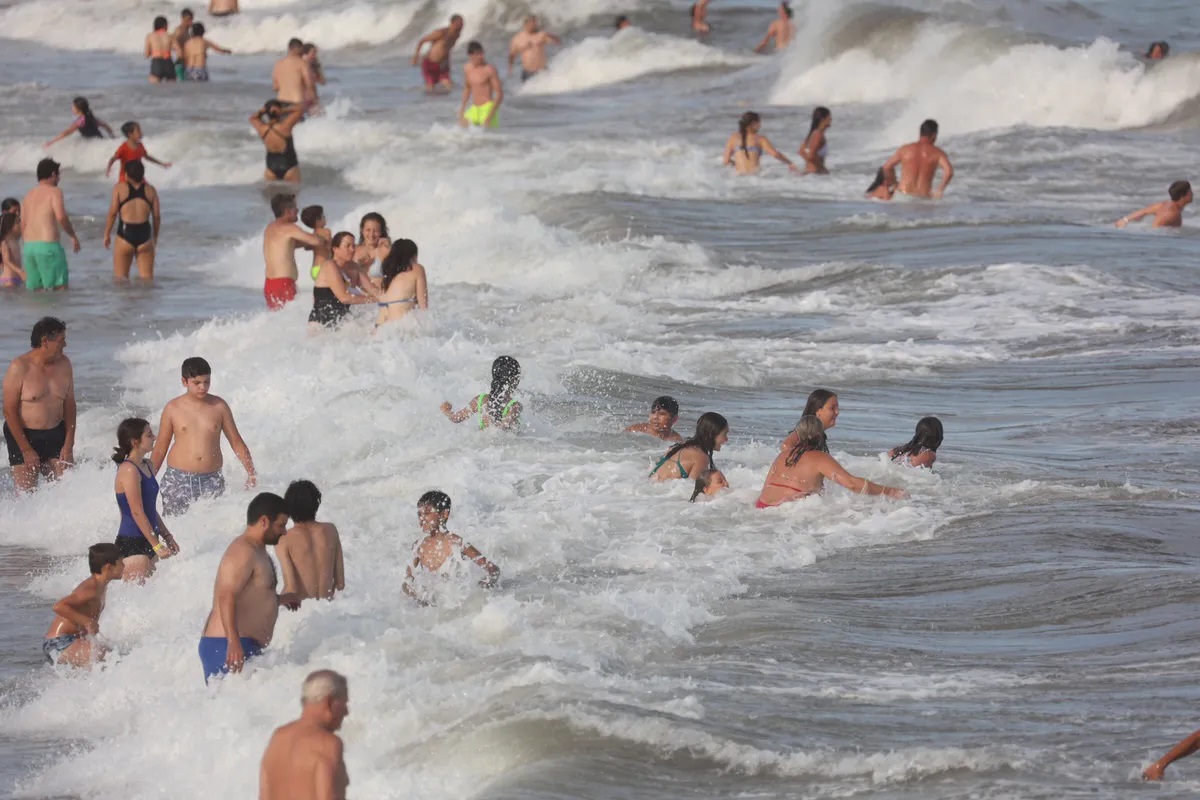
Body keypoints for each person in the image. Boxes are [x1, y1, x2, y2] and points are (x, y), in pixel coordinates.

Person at [198, 493, 300, 683]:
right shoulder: (242, 551)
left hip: (240, 644)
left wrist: (281, 600)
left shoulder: (257, 551)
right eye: (281, 525)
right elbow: (226, 595)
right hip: (226, 645)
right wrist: (233, 641)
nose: (284, 531)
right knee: (229, 709)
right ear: (263, 521)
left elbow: (255, 597)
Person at [150, 357, 257, 516]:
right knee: (176, 528)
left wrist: (251, 473)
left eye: (207, 382)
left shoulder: (219, 406)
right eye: (197, 383)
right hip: (178, 479)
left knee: (212, 528)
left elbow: (236, 441)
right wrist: (148, 478)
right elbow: (160, 447)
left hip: (212, 479)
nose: (203, 387)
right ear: (184, 381)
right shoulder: (173, 408)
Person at [757, 416, 907, 508]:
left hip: (762, 506)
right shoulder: (820, 458)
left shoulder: (782, 455)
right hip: (787, 510)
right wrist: (889, 491)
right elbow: (852, 484)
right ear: (820, 435)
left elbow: (765, 486)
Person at [3, 317, 75, 493]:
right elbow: (8, 411)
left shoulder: (65, 364)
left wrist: (69, 444)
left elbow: (70, 406)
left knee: (65, 493)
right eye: (61, 340)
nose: (64, 345)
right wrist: (26, 449)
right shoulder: (19, 367)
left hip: (55, 433)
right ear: (45, 341)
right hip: (24, 436)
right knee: (27, 498)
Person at [260, 670, 351, 800]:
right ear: (329, 702)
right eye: (344, 703)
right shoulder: (327, 744)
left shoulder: (278, 738)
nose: (346, 711)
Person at [403, 491, 500, 606]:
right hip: (432, 610)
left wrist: (480, 592)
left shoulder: (456, 543)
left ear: (444, 514)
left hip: (456, 608)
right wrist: (419, 598)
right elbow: (407, 583)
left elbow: (493, 570)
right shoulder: (418, 546)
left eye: (427, 513)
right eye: (419, 515)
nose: (422, 519)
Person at [112, 418, 179, 583]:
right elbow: (136, 511)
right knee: (133, 603)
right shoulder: (128, 470)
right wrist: (156, 545)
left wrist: (167, 536)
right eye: (149, 435)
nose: (154, 438)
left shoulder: (147, 465)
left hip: (150, 538)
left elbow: (149, 508)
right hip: (132, 542)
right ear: (135, 442)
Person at [43, 544, 124, 668]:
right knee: (108, 659)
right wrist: (87, 621)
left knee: (116, 655)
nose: (124, 566)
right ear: (109, 567)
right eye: (121, 562)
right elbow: (59, 606)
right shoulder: (90, 588)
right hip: (59, 643)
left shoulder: (102, 586)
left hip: (74, 640)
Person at [277, 480, 345, 601]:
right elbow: (340, 584)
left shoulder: (284, 539)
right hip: (331, 612)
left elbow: (291, 588)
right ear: (316, 503)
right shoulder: (331, 530)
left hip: (304, 615)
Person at [21, 159, 79, 291]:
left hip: (29, 248)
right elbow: (61, 217)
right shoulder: (54, 192)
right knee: (59, 289)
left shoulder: (28, 195)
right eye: (58, 175)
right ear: (53, 174)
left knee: (36, 294)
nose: (59, 179)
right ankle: (57, 313)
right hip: (48, 246)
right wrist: (73, 235)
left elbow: (23, 224)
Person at [260, 193, 325, 309]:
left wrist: (308, 245)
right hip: (283, 283)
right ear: (288, 211)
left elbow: (293, 245)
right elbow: (317, 241)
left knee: (279, 319)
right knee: (289, 318)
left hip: (269, 284)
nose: (297, 211)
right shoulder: (289, 228)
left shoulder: (270, 228)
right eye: (296, 208)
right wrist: (322, 234)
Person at [102, 160, 161, 281]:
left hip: (125, 235)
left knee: (121, 280)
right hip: (145, 235)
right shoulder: (151, 190)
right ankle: (145, 300)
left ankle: (126, 299)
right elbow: (157, 216)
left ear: (127, 175)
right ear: (142, 174)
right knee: (147, 281)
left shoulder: (119, 189)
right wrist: (155, 236)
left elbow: (113, 213)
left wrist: (106, 234)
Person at [310, 232, 375, 328]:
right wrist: (374, 299)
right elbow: (344, 298)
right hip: (320, 326)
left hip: (340, 325)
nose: (352, 250)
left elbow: (372, 289)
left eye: (353, 246)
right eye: (347, 246)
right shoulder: (330, 265)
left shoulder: (354, 266)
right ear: (335, 249)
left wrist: (390, 295)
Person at [876, 119, 953, 199]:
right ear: (934, 135)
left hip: (903, 196)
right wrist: (940, 190)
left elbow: (886, 167)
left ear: (920, 133)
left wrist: (894, 183)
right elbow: (949, 171)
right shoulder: (938, 153)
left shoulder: (905, 149)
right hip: (923, 199)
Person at [441, 356, 523, 430]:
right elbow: (502, 428)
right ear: (514, 380)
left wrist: (446, 410)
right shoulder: (514, 406)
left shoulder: (480, 400)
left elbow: (456, 418)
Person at [649, 412, 728, 481]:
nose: (726, 439)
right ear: (712, 435)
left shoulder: (678, 446)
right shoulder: (700, 456)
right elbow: (692, 490)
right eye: (724, 434)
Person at [723, 112, 799, 175]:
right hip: (754, 178)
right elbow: (775, 154)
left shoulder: (733, 138)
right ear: (753, 124)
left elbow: (726, 161)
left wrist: (737, 165)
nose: (760, 126)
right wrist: (789, 163)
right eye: (758, 123)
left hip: (738, 178)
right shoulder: (760, 139)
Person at [375, 239, 428, 326]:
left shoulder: (387, 277)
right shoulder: (417, 269)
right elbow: (423, 306)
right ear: (413, 256)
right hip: (401, 327)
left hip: (380, 328)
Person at [251, 101, 307, 184]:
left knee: (271, 196)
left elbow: (252, 118)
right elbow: (300, 109)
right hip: (289, 166)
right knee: (293, 194)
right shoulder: (285, 126)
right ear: (279, 112)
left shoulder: (262, 129)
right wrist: (283, 110)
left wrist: (264, 110)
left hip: (271, 168)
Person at [412, 14, 465, 93]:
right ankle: (427, 104)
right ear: (452, 23)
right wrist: (415, 58)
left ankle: (448, 104)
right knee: (431, 88)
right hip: (429, 63)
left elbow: (447, 49)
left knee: (448, 84)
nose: (461, 27)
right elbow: (422, 41)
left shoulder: (457, 35)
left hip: (442, 64)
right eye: (459, 24)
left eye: (462, 24)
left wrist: (448, 64)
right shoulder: (441, 32)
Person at [106, 122, 171, 183]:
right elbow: (113, 158)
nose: (141, 133)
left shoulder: (140, 145)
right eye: (138, 131)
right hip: (125, 177)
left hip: (138, 177)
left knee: (148, 191)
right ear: (130, 134)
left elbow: (147, 157)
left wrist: (162, 164)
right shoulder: (123, 147)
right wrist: (108, 169)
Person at [459, 42, 503, 129]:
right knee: (461, 129)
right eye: (478, 54)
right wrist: (462, 108)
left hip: (487, 108)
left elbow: (499, 94)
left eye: (482, 53)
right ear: (470, 55)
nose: (481, 56)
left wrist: (490, 116)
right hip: (474, 108)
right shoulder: (467, 69)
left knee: (487, 138)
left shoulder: (489, 69)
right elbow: (467, 88)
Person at [781, 387, 838, 454]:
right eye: (832, 408)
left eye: (837, 408)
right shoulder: (807, 429)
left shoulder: (816, 432)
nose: (837, 412)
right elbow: (786, 445)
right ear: (817, 411)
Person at [1115, 180, 1192, 229]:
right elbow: (1155, 231)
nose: (1192, 193)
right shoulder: (1172, 215)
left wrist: (1124, 220)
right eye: (1190, 191)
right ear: (1182, 196)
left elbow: (1144, 212)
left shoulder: (1164, 204)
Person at [509, 16, 561, 82]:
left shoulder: (541, 35)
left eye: (535, 23)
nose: (535, 25)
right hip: (528, 72)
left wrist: (549, 34)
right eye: (532, 23)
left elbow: (557, 41)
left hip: (542, 71)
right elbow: (512, 54)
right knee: (530, 91)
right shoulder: (517, 38)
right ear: (526, 24)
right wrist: (510, 67)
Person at [44, 97, 114, 147]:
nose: (72, 108)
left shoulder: (80, 121)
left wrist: (52, 142)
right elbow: (105, 125)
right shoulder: (91, 117)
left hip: (93, 144)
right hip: (99, 142)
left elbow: (67, 132)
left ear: (78, 108)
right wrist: (112, 137)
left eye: (73, 106)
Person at [272, 38, 313, 109]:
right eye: (302, 49)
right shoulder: (302, 63)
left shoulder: (278, 64)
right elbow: (309, 83)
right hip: (297, 102)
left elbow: (275, 87)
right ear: (298, 48)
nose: (303, 52)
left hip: (281, 102)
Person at [300, 205, 331, 280]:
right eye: (323, 216)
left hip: (315, 268)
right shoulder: (326, 231)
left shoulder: (313, 235)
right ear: (318, 220)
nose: (325, 217)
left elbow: (306, 247)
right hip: (323, 268)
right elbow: (330, 248)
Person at [798, 107, 832, 175]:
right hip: (816, 174)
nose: (831, 119)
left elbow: (801, 152)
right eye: (829, 117)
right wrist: (823, 168)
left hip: (809, 173)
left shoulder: (812, 133)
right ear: (823, 119)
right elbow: (811, 155)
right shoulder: (818, 135)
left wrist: (810, 163)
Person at [145, 16, 178, 84]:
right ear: (164, 25)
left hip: (156, 62)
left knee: (155, 91)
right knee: (172, 90)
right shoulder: (169, 36)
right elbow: (179, 51)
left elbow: (146, 54)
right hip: (168, 62)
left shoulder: (150, 36)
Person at [0, 199, 25, 288]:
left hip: (17, 278)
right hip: (9, 279)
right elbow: (7, 261)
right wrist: (20, 271)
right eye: (15, 211)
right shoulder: (5, 242)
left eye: (19, 211)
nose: (18, 214)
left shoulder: (15, 240)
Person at [172, 8, 195, 80]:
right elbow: (171, 41)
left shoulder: (187, 30)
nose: (191, 21)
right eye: (189, 19)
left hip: (186, 62)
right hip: (180, 61)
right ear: (182, 19)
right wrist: (179, 51)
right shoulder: (180, 30)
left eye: (192, 19)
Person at [302, 43, 326, 112]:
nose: (315, 55)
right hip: (305, 99)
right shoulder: (301, 66)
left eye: (316, 53)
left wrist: (317, 68)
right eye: (313, 53)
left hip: (313, 98)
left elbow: (323, 82)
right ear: (305, 54)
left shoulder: (313, 66)